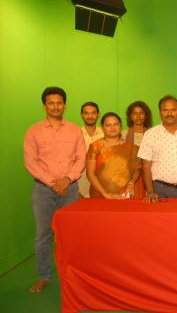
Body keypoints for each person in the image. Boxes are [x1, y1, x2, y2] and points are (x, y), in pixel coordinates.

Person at [23, 87, 86, 293]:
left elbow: (81, 158)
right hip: (43, 191)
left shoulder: (75, 130)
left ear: (65, 104)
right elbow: (30, 162)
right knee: (42, 235)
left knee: (72, 234)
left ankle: (73, 275)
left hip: (70, 189)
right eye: (51, 103)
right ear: (44, 105)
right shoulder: (33, 131)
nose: (55, 106)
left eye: (59, 102)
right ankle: (44, 276)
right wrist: (53, 182)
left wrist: (67, 179)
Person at [138, 95, 177, 202]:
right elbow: (146, 166)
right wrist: (150, 191)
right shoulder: (150, 134)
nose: (169, 114)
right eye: (165, 110)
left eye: (173, 110)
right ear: (160, 112)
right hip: (159, 190)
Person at [86, 113, 142, 199]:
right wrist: (105, 194)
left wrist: (131, 183)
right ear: (103, 128)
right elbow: (90, 174)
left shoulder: (132, 148)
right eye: (108, 125)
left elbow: (137, 169)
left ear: (120, 126)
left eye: (116, 124)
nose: (113, 128)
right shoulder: (95, 146)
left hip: (124, 195)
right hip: (99, 195)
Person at [78, 102, 104, 198]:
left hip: (102, 182)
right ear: (81, 115)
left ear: (98, 114)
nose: (90, 116)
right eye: (86, 113)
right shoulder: (76, 133)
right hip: (80, 182)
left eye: (93, 113)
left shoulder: (106, 133)